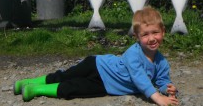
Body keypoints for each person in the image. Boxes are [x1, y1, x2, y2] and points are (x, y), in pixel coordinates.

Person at [13, 7, 179, 106]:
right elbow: (139, 77)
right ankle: (28, 81)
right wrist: (157, 97)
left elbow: (162, 80)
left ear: (163, 32)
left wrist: (167, 88)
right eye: (145, 34)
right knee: (64, 76)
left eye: (156, 32)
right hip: (97, 65)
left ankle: (34, 90)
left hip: (106, 86)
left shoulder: (161, 62)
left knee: (73, 88)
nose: (151, 38)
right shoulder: (133, 53)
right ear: (137, 37)